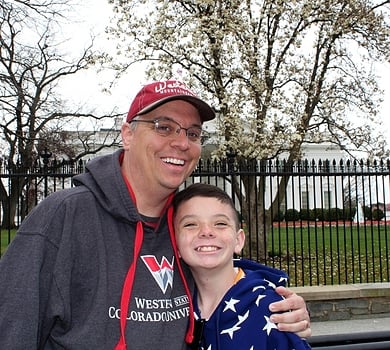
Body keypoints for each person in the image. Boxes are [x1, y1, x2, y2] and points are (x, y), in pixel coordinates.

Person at [0, 80, 310, 349]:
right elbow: (12, 331)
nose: (181, 142)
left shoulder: (185, 227)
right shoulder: (63, 217)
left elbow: (221, 276)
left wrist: (279, 306)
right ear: (128, 134)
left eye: (192, 133)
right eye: (163, 127)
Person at [173, 183, 311, 349]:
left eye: (220, 223)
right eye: (190, 224)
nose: (206, 231)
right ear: (176, 245)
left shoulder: (272, 309)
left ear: (238, 241)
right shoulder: (171, 308)